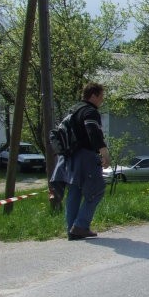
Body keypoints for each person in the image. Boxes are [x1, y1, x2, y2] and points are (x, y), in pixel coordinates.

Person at [50, 82, 111, 241]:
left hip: (69, 158)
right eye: (101, 96)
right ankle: (81, 225)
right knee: (96, 190)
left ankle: (72, 230)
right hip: (85, 156)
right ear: (94, 95)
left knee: (74, 191)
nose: (102, 100)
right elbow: (92, 131)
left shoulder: (74, 110)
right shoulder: (90, 111)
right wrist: (104, 151)